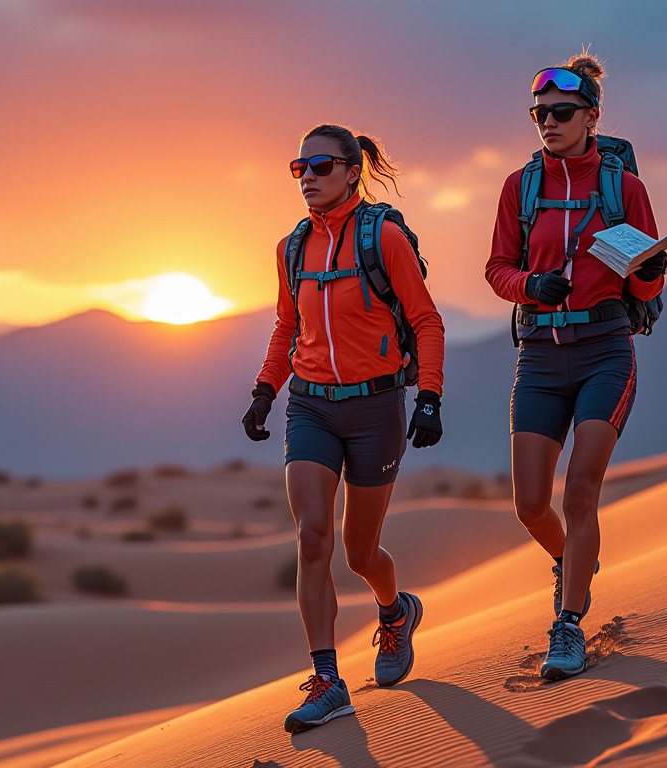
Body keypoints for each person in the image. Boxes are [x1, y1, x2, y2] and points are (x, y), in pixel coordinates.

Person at [243, 123, 446, 732]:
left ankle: (395, 612)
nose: (307, 177)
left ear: (353, 170)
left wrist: (429, 396)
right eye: (298, 167)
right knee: (312, 538)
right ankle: (328, 680)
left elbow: (426, 320)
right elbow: (287, 326)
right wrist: (264, 389)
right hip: (310, 406)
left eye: (320, 166)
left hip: (376, 408)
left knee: (361, 552)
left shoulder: (382, 236)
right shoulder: (290, 247)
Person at [484, 51, 666, 681]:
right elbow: (496, 270)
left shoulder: (624, 188)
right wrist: (533, 286)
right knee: (530, 504)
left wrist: (648, 272)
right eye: (539, 115)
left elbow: (645, 288)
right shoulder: (520, 186)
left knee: (580, 490)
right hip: (539, 357)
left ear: (592, 116)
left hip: (605, 352)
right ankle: (573, 562)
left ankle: (568, 624)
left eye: (561, 113)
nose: (548, 123)